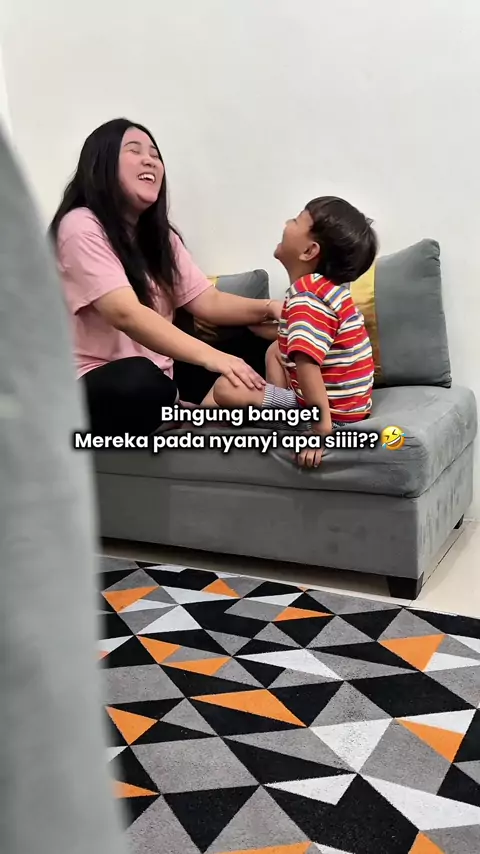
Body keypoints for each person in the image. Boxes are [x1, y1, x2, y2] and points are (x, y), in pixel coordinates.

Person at [49, 118, 282, 436]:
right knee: (140, 380)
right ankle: (189, 411)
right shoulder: (80, 225)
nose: (150, 160)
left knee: (255, 347)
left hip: (164, 381)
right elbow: (125, 313)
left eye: (155, 155)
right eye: (134, 151)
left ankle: (285, 410)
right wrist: (214, 358)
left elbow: (208, 301)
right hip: (98, 384)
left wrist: (271, 309)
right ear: (101, 164)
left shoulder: (160, 237)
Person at [209, 196, 378, 468]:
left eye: (296, 220)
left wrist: (320, 432)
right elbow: (290, 339)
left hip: (331, 416)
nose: (286, 223)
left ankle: (289, 422)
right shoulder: (327, 291)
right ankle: (277, 407)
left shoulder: (306, 300)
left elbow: (307, 364)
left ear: (309, 251)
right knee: (275, 350)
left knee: (225, 388)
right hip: (348, 406)